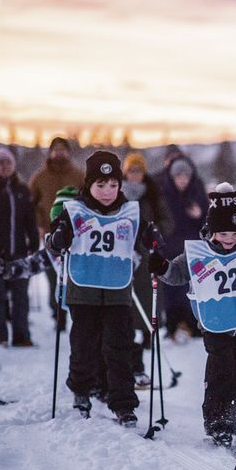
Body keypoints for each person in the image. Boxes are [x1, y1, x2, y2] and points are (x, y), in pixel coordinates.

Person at [149, 183, 236, 446]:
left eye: (235, 232)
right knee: (222, 373)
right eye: (223, 233)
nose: (230, 238)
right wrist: (161, 267)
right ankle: (218, 421)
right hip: (216, 325)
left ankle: (234, 415)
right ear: (212, 230)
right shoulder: (200, 253)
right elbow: (176, 274)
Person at [46, 151, 159, 426]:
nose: (108, 191)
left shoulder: (129, 210)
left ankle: (122, 403)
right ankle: (81, 390)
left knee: (118, 348)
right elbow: (53, 240)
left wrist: (154, 241)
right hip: (83, 290)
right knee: (84, 346)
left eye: (113, 185)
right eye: (100, 185)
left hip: (118, 291)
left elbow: (145, 237)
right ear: (89, 185)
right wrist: (58, 239)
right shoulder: (75, 210)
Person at [122, 152, 173, 386]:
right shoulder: (116, 193)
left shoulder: (152, 194)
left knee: (145, 308)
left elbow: (167, 221)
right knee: (126, 312)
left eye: (138, 171)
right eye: (131, 171)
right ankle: (130, 361)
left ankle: (142, 354)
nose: (134, 175)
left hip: (147, 257)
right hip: (123, 257)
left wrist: (153, 234)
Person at [29, 137, 84, 330]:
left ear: (68, 152)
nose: (59, 153)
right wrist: (38, 223)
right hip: (49, 232)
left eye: (63, 149)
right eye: (56, 150)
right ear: (51, 152)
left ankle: (74, 310)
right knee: (54, 273)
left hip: (76, 233)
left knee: (73, 273)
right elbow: (31, 203)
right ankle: (57, 312)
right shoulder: (40, 176)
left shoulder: (78, 175)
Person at [159, 154, 208, 339]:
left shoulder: (197, 193)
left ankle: (193, 323)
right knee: (171, 286)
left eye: (185, 176)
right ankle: (172, 325)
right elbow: (161, 219)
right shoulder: (165, 195)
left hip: (192, 246)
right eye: (178, 177)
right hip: (171, 245)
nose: (182, 180)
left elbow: (208, 223)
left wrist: (200, 215)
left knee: (191, 286)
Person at [0, 147, 39, 346]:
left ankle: (21, 335)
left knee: (21, 296)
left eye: (8, 163)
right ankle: (0, 336)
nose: (4, 167)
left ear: (13, 166)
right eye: (1, 163)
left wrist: (34, 241)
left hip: (19, 252)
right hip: (0, 253)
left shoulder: (22, 190)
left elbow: (29, 219)